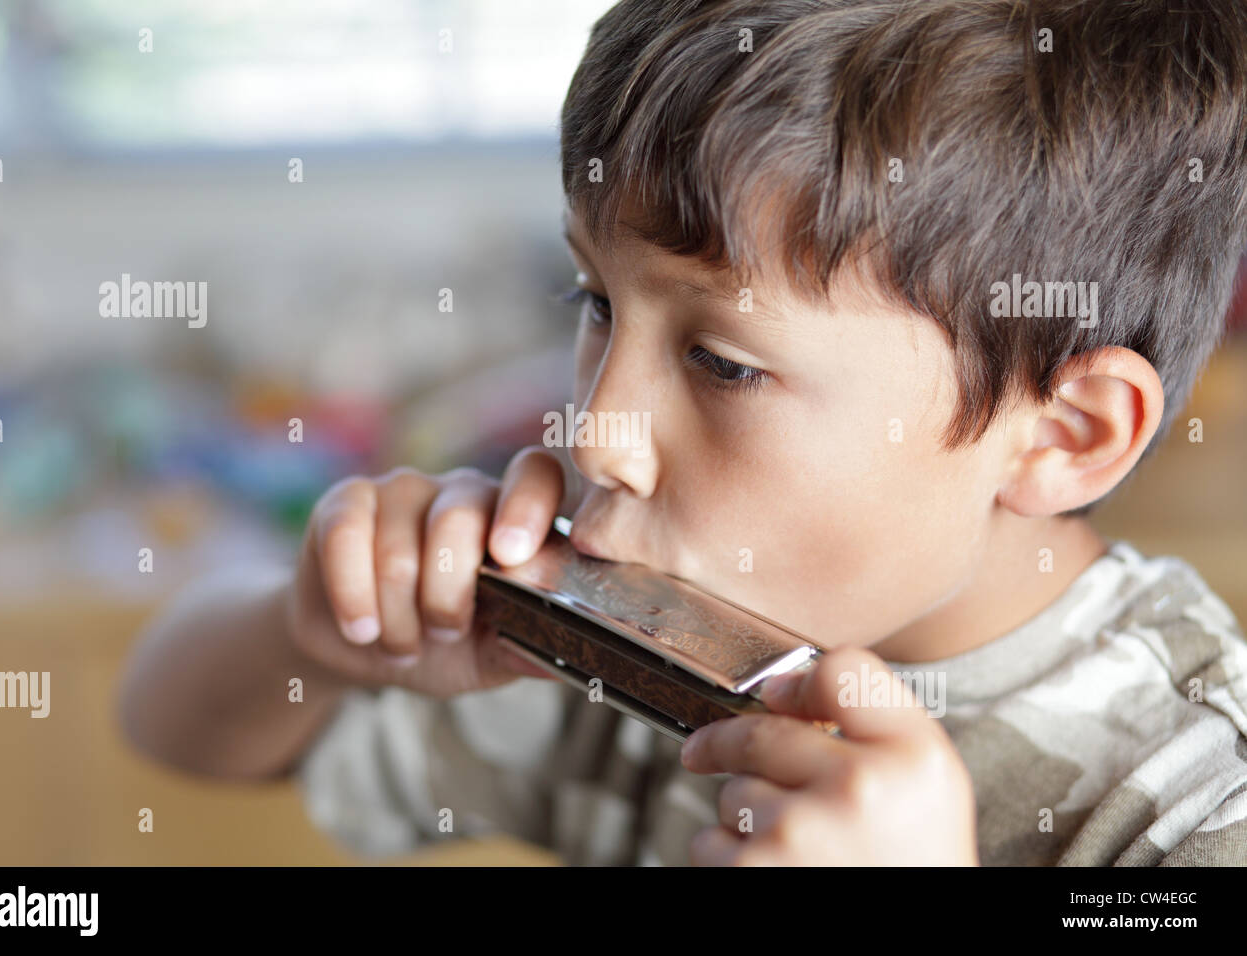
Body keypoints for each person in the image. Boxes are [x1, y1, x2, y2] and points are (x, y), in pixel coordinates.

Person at [118, 0, 1247, 865]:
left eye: (723, 362)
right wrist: (312, 630)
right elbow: (171, 726)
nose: (597, 425)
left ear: (1064, 433)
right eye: (594, 302)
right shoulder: (636, 639)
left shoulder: (1192, 792)